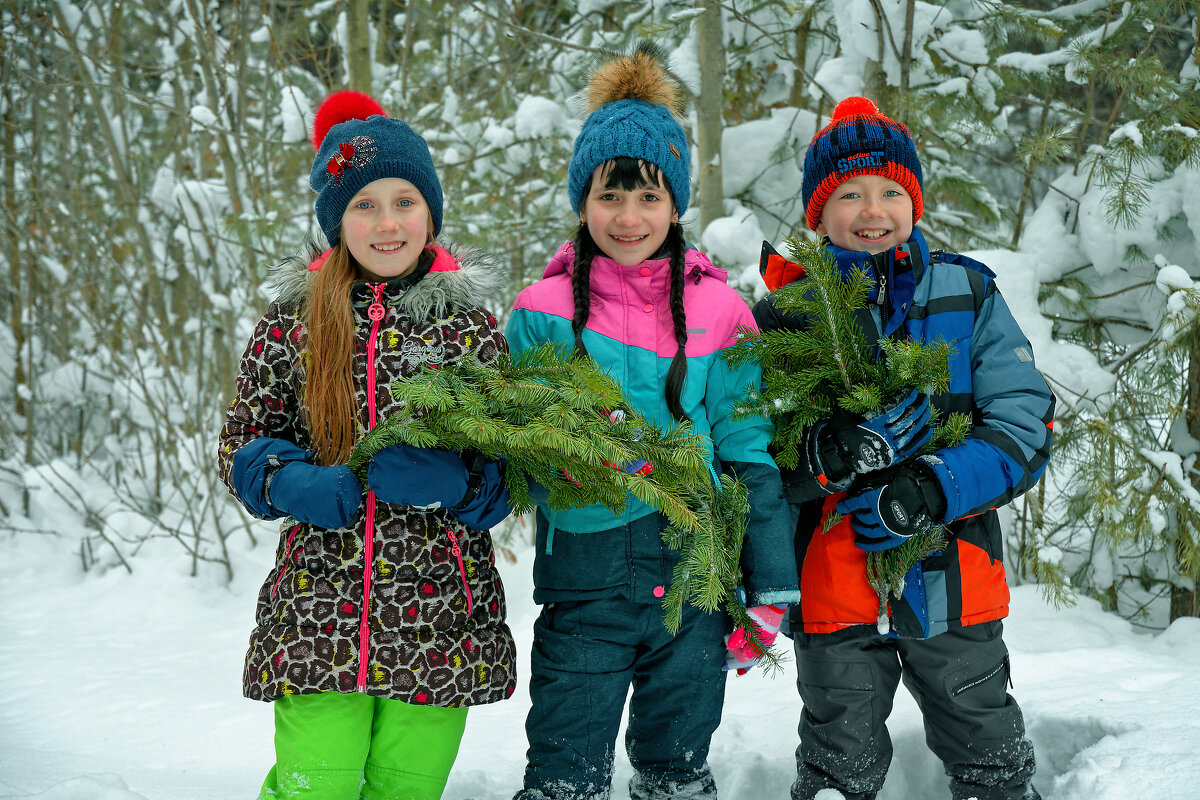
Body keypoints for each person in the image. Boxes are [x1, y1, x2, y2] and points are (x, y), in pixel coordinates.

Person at [504, 43, 800, 800]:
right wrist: (560, 460)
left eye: (649, 197)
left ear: (675, 203)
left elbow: (746, 447)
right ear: (582, 202)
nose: (628, 217)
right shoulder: (539, 314)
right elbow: (517, 441)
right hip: (583, 587)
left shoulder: (721, 310)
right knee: (564, 767)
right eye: (609, 196)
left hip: (692, 581)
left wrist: (767, 584)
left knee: (676, 767)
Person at [217, 90, 517, 800]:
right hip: (319, 607)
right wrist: (287, 480)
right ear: (335, 221)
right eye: (363, 205)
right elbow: (243, 439)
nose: (387, 223)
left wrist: (465, 485)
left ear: (431, 211)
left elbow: (514, 466)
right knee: (314, 786)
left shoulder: (467, 325)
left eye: (404, 201)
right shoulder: (293, 321)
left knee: (403, 790)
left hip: (440, 613)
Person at [753, 96, 1053, 800]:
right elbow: (752, 450)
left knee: (987, 743)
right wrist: (825, 455)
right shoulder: (784, 317)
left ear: (914, 200)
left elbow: (1023, 420)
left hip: (955, 580)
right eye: (848, 194)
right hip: (833, 589)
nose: (872, 209)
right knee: (838, 760)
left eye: (891, 190)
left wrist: (932, 486)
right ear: (817, 213)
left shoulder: (968, 293)